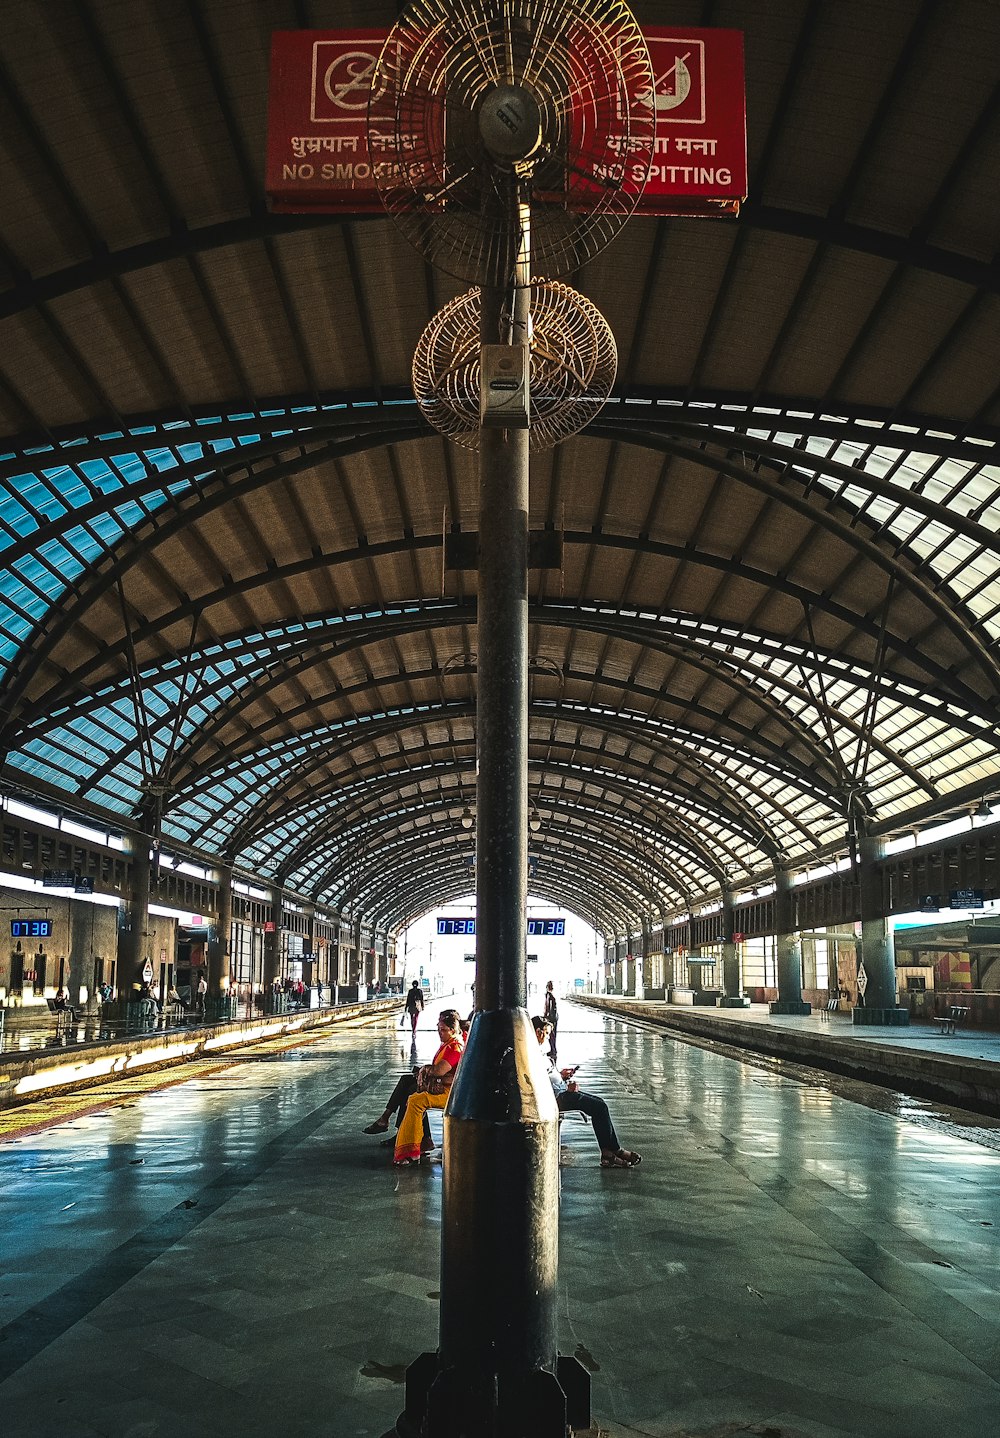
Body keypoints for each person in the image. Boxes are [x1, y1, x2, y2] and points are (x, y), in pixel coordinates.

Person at [532, 1016, 641, 1168]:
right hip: (557, 1097)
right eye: (547, 1033)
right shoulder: (532, 1055)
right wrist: (567, 1089)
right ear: (538, 1032)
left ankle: (608, 1153)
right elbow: (538, 1083)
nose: (549, 1037)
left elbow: (547, 1075)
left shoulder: (537, 1051)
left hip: (561, 1091)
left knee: (600, 1105)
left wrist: (561, 1075)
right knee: (599, 1107)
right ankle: (615, 1151)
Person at [392, 1009, 464, 1166]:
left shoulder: (454, 1047)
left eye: (444, 1030)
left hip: (450, 1094)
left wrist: (426, 1069)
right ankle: (416, 1145)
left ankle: (411, 1151)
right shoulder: (449, 1044)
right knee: (414, 1098)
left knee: (416, 1101)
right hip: (449, 1090)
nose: (440, 1033)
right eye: (439, 1030)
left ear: (453, 1030)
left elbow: (439, 1070)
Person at [543, 980, 558, 1059]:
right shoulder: (550, 995)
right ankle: (553, 1050)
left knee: (551, 1035)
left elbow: (549, 1007)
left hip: (551, 1018)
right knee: (552, 1035)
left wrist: (547, 1016)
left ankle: (553, 1050)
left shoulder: (550, 996)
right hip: (553, 1018)